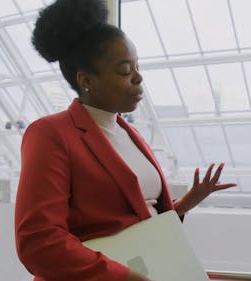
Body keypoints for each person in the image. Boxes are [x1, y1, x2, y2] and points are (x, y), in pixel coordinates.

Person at [14, 0, 237, 281]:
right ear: (86, 80)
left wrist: (182, 207)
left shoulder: (128, 132)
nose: (138, 77)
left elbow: (131, 217)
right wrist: (122, 277)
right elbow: (38, 242)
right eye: (124, 71)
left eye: (137, 66)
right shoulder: (50, 133)